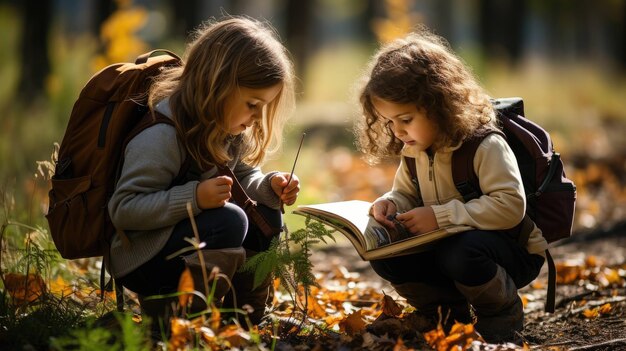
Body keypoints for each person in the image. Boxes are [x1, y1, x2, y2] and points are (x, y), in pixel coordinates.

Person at [354, 26, 547, 343]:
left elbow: (511, 207)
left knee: (460, 251)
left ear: (439, 104)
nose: (399, 131)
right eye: (390, 122)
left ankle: (501, 312)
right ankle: (444, 312)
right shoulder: (415, 150)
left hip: (510, 252)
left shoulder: (483, 145)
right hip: (448, 246)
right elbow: (406, 192)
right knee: (386, 252)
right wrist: (392, 204)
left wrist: (440, 216)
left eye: (405, 119)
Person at [107, 16, 299, 332]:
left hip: (184, 240)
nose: (256, 117)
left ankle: (243, 317)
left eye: (262, 107)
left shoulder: (226, 128)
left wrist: (268, 186)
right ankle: (178, 320)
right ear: (218, 85)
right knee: (230, 220)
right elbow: (123, 210)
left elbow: (241, 179)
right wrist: (194, 198)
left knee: (265, 209)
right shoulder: (162, 136)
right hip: (143, 258)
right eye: (252, 104)